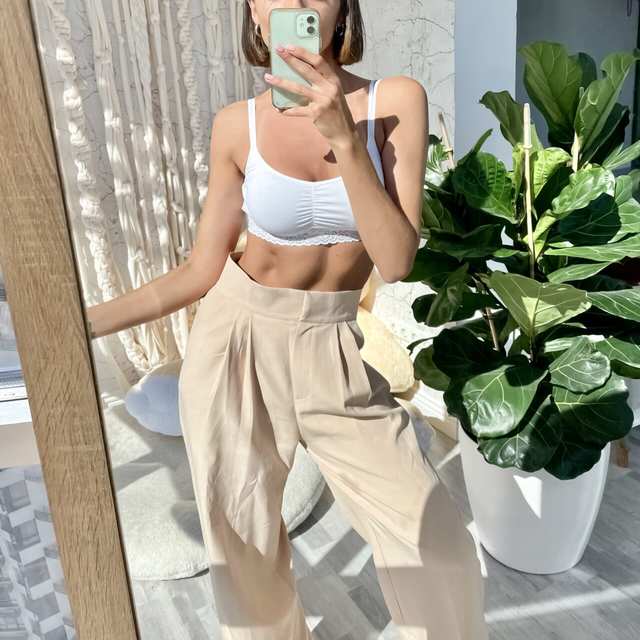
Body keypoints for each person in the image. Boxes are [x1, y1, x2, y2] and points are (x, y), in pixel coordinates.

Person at [88, 1, 489, 638]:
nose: (297, 3)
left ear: (343, 9)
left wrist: (344, 138)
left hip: (333, 346)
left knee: (437, 548)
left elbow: (395, 261)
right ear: (254, 13)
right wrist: (79, 323)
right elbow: (198, 271)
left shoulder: (394, 101)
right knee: (243, 552)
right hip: (236, 341)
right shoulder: (235, 125)